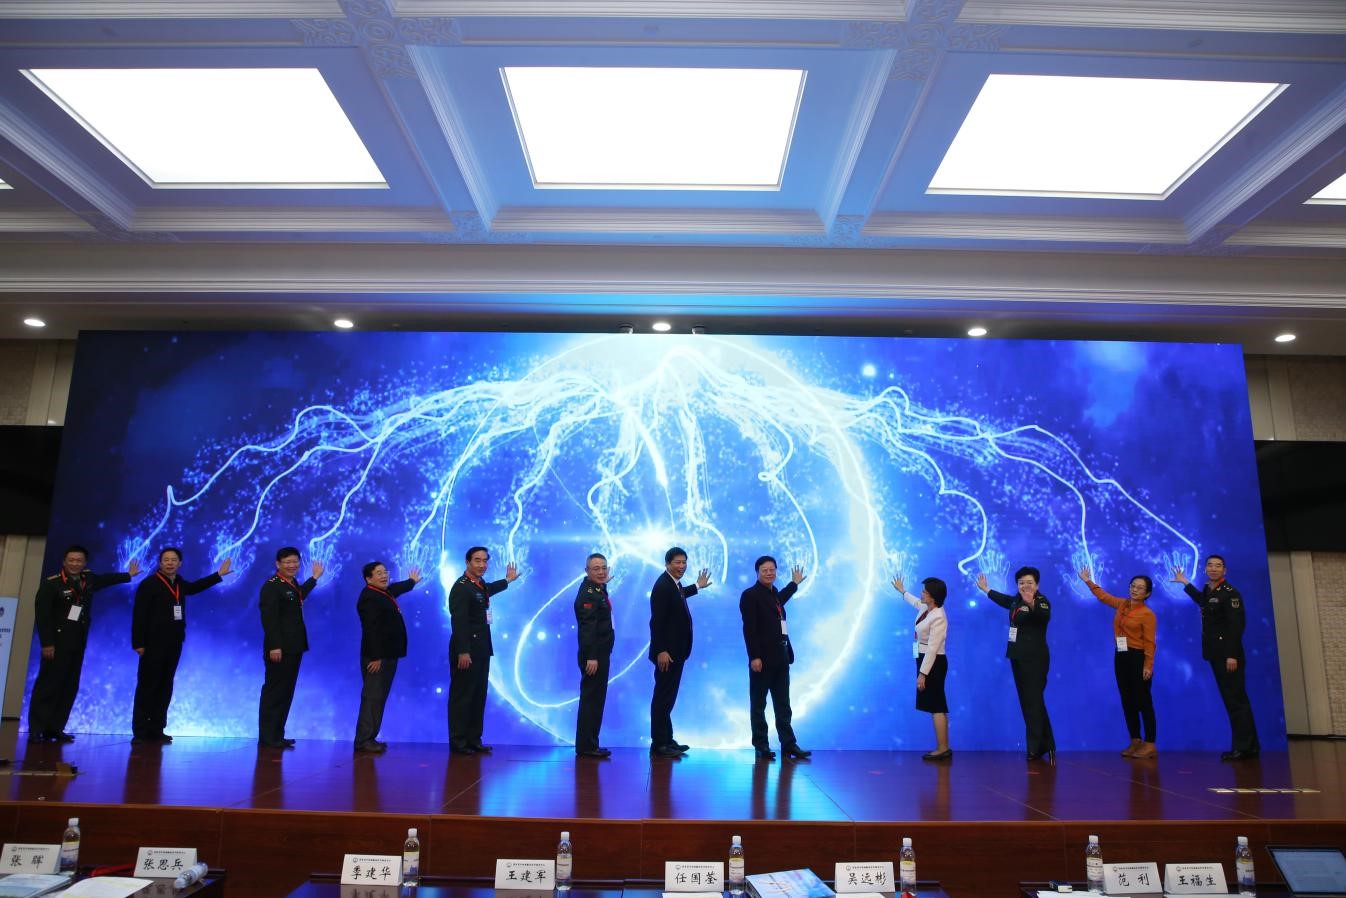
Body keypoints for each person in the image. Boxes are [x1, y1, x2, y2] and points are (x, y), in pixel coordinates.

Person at [28, 545, 140, 743]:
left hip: (78, 642)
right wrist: (47, 643)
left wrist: (128, 575)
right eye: (71, 560)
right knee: (48, 686)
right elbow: (43, 617)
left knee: (69, 686)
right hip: (56, 644)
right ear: (64, 562)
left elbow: (105, 579)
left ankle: (55, 728)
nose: (75, 564)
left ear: (84, 563)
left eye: (79, 560)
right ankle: (37, 729)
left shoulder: (87, 579)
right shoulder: (51, 584)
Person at [131, 547, 231, 744]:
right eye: (166, 560)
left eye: (174, 560)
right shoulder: (149, 584)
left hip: (174, 642)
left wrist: (218, 575)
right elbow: (139, 614)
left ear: (180, 563)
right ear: (160, 563)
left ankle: (157, 729)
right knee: (148, 686)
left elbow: (194, 588)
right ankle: (140, 732)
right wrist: (138, 642)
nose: (170, 563)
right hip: (152, 644)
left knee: (165, 686)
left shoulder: (179, 583)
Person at [1172, 555, 1259, 760]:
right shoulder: (1210, 590)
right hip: (1216, 654)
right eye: (1210, 565)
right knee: (1232, 700)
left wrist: (1231, 655)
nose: (1213, 568)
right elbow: (1203, 602)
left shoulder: (1230, 593)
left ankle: (1243, 747)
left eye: (1218, 566)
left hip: (1228, 656)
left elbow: (1236, 627)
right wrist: (1185, 582)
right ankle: (1250, 746)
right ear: (1205, 569)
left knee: (1236, 701)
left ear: (1224, 571)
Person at [976, 566, 1055, 762]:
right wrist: (986, 590)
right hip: (1017, 657)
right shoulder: (1016, 601)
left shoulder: (1041, 602)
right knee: (1030, 702)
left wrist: (1031, 604)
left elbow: (1043, 617)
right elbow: (1004, 600)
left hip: (1034, 659)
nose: (1025, 586)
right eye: (1021, 583)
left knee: (1033, 702)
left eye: (1029, 583)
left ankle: (1035, 748)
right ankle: (1047, 744)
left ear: (1037, 585)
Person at [1078, 567, 1157, 758]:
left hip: (1138, 657)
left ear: (1147, 593)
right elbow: (1103, 597)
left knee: (1143, 701)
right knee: (1127, 700)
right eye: (1133, 586)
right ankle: (1135, 740)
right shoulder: (1122, 604)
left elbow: (1150, 643)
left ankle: (1150, 744)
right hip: (1121, 656)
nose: (1135, 589)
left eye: (1140, 588)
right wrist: (1087, 581)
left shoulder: (1147, 614)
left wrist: (1148, 665)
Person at [447, 546, 518, 754]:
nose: (482, 565)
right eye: (477, 560)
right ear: (467, 562)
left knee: (478, 696)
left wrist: (507, 580)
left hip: (481, 649)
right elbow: (459, 622)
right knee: (463, 696)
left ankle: (474, 739)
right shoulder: (461, 587)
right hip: (467, 651)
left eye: (485, 561)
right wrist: (463, 651)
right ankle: (459, 742)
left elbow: (488, 591)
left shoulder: (478, 584)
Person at [739, 556, 811, 761]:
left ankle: (788, 744)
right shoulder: (750, 595)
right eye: (765, 570)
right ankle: (761, 745)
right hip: (762, 661)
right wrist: (754, 656)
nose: (769, 573)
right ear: (757, 572)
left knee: (783, 705)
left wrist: (794, 583)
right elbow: (749, 629)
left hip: (781, 658)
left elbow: (781, 600)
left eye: (772, 570)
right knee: (759, 705)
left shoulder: (774, 595)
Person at [257, 547, 324, 749]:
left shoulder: (291, 583)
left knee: (286, 692)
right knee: (274, 692)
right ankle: (268, 737)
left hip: (294, 646)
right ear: (278, 564)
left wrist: (314, 578)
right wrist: (275, 646)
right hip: (280, 649)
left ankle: (277, 734)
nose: (292, 565)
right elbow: (269, 619)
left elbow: (299, 595)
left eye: (295, 561)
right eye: (287, 562)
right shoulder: (271, 586)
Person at [648, 546, 712, 758]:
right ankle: (659, 743)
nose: (682, 566)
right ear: (667, 564)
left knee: (668, 698)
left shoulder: (673, 584)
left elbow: (679, 596)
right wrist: (661, 650)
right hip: (667, 654)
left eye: (684, 562)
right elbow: (656, 622)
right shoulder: (663, 586)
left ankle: (667, 739)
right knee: (663, 698)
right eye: (677, 562)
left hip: (676, 652)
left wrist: (698, 586)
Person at [354, 560, 421, 754]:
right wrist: (375, 657)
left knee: (379, 697)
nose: (384, 576)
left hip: (388, 655)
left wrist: (411, 581)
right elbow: (371, 629)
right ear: (368, 579)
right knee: (372, 697)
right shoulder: (369, 598)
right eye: (379, 573)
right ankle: (363, 740)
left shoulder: (384, 592)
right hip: (377, 657)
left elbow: (397, 588)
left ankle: (370, 738)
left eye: (385, 572)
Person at [892, 574, 950, 760]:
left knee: (937, 705)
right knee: (936, 704)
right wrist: (902, 591)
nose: (921, 594)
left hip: (933, 662)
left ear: (933, 596)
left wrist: (923, 674)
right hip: (924, 658)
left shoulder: (939, 617)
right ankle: (943, 747)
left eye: (925, 591)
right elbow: (916, 602)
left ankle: (943, 748)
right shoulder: (927, 608)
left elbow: (933, 649)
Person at [574, 552, 614, 758]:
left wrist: (603, 585)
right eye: (596, 568)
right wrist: (591, 656)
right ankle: (586, 746)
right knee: (591, 700)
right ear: (587, 571)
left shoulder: (597, 589)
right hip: (594, 656)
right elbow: (587, 628)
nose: (601, 572)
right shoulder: (588, 594)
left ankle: (591, 743)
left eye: (604, 568)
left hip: (600, 654)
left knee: (596, 700)